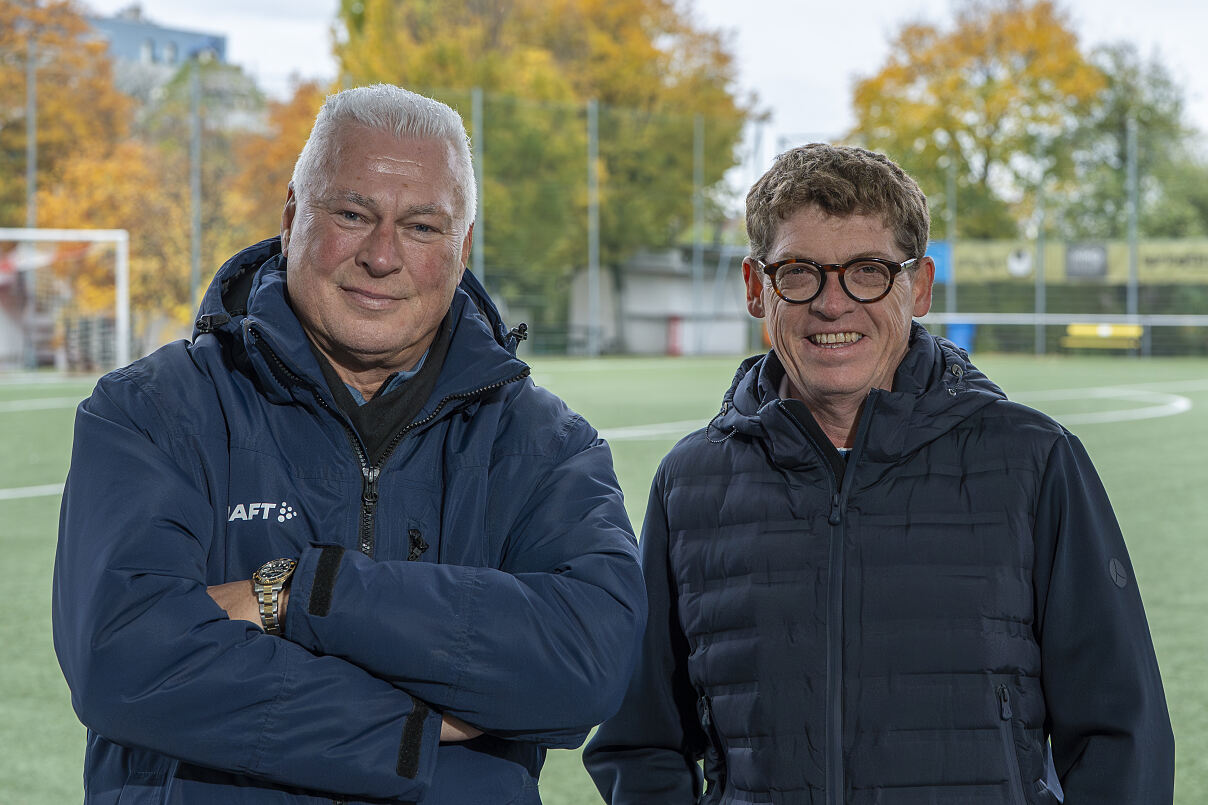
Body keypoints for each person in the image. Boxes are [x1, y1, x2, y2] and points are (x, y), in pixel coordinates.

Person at [52, 84, 646, 804]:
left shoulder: (549, 446)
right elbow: (126, 659)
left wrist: (301, 593)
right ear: (293, 217)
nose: (382, 255)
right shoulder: (151, 410)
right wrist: (413, 728)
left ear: (461, 250)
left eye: (422, 227)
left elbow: (587, 662)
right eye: (353, 214)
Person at [583, 143, 1174, 804]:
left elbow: (1121, 735)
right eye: (800, 272)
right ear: (757, 287)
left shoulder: (1035, 462)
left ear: (917, 286)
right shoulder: (690, 483)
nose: (833, 305)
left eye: (867, 271)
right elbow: (641, 741)